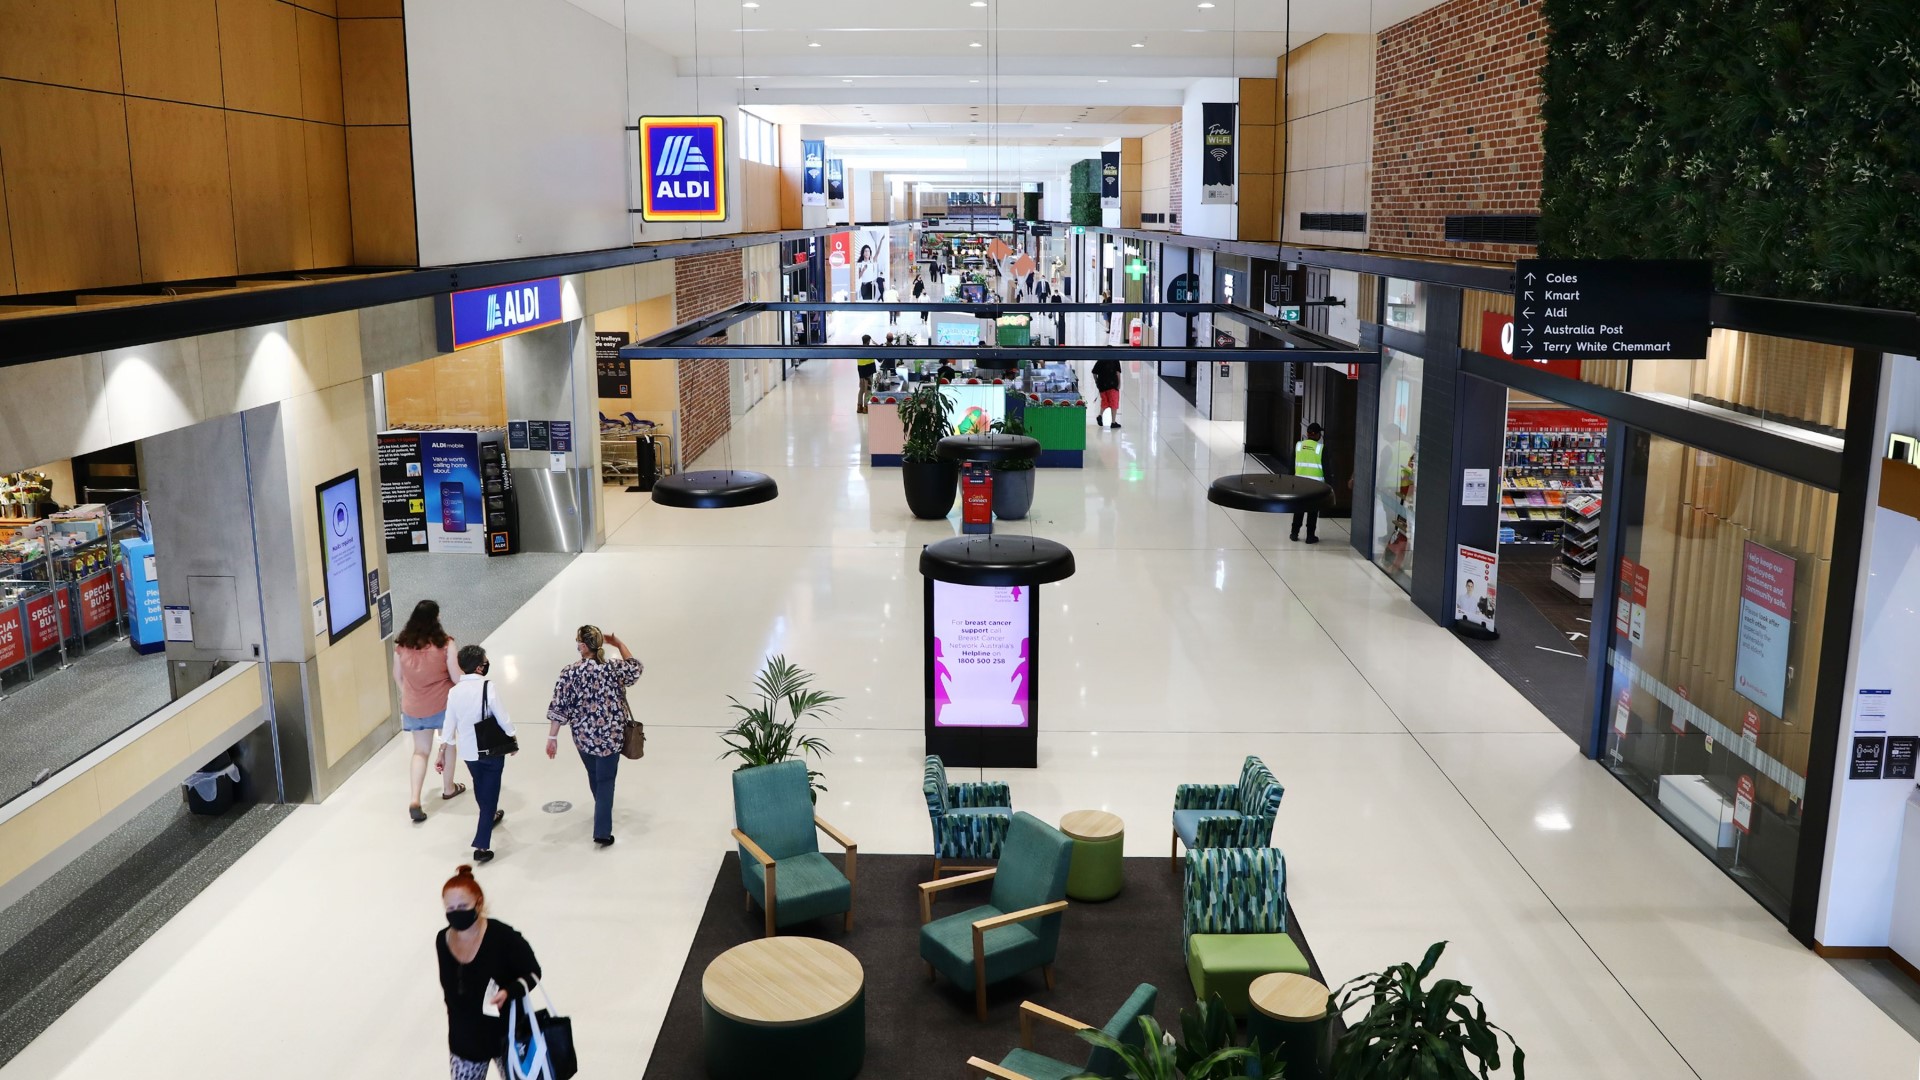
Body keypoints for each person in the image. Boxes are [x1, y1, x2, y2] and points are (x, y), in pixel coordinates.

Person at [437, 864, 542, 1080]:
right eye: (450, 908)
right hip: (465, 1042)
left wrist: (509, 992)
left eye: (463, 905)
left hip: (508, 1036)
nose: (457, 913)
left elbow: (532, 972)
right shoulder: (442, 940)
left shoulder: (503, 937)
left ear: (479, 903)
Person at [546, 625, 643, 847]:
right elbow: (635, 668)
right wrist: (619, 644)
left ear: (583, 646)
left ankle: (601, 810)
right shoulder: (613, 669)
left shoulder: (569, 672)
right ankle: (602, 829)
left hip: (583, 738)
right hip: (611, 737)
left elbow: (559, 708)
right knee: (606, 780)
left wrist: (552, 738)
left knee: (594, 774)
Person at [439, 645, 516, 863]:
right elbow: (501, 715)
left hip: (469, 752)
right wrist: (512, 737)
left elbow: (449, 723)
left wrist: (443, 748)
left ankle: (489, 814)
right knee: (490, 793)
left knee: (480, 786)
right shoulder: (488, 687)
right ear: (479, 667)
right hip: (491, 748)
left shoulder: (454, 692)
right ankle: (481, 846)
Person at [395, 600, 464, 823]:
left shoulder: (402, 645)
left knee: (420, 751)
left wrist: (411, 695)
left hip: (414, 706)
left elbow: (398, 677)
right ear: (435, 619)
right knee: (449, 743)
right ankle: (448, 787)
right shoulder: (446, 644)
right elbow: (455, 676)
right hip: (443, 704)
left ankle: (415, 799)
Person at [1291, 422, 1326, 544]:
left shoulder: (1299, 446)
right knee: (1312, 511)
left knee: (1299, 508)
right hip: (1315, 486)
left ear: (1307, 434)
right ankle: (1310, 536)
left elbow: (1292, 465)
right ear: (1317, 435)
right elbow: (1326, 469)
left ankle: (1294, 533)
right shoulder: (1320, 449)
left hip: (1299, 483)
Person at [1091, 357, 1122, 429]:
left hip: (1102, 385)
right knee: (1114, 403)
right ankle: (1113, 422)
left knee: (1105, 401)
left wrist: (1097, 382)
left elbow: (1094, 372)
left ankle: (1100, 415)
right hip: (1112, 384)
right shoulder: (1115, 359)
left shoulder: (1100, 359)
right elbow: (1117, 373)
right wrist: (1119, 384)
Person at [856, 336, 876, 414]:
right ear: (868, 341)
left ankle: (859, 407)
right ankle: (866, 407)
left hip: (861, 372)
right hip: (868, 372)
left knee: (861, 389)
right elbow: (880, 358)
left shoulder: (859, 350)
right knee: (868, 390)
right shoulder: (870, 350)